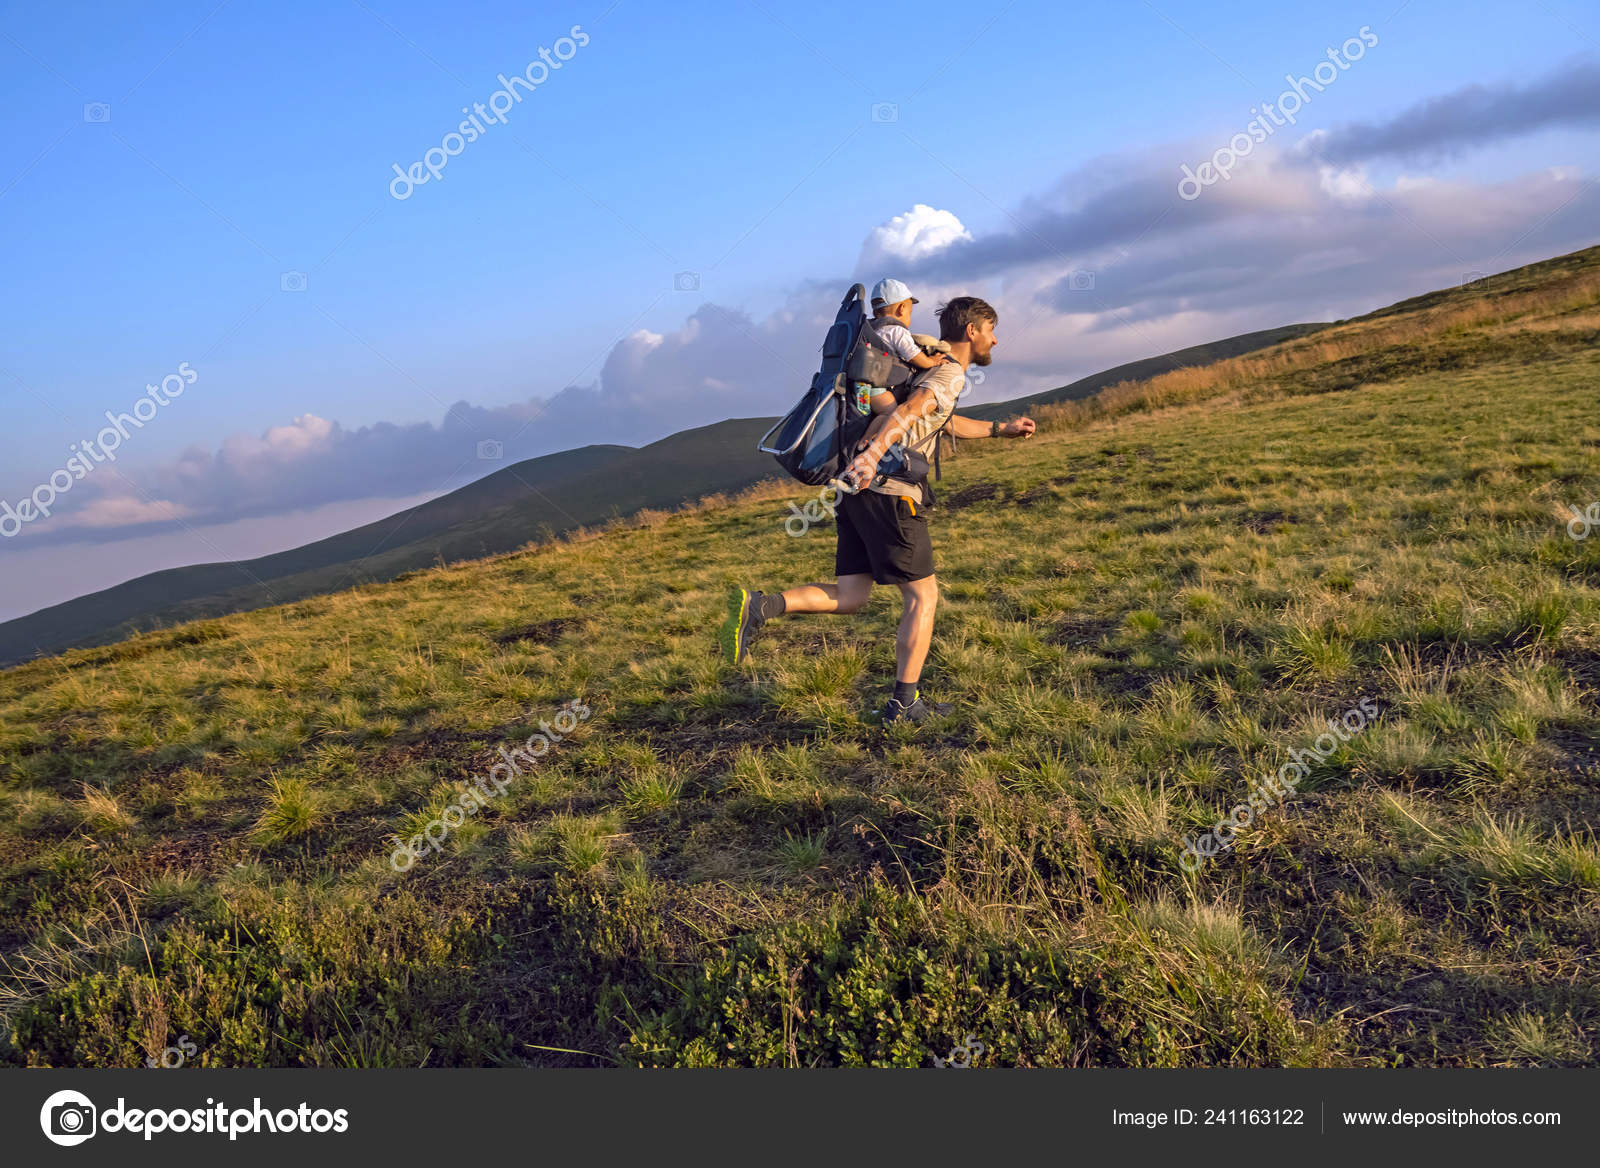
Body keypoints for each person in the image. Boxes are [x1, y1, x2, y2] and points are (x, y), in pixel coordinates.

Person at [720, 296, 1037, 723]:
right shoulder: (948, 372)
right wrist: (876, 453)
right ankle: (904, 704)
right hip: (888, 489)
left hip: (856, 490)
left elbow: (938, 419)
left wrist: (1001, 429)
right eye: (992, 331)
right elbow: (911, 411)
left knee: (851, 595)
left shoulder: (924, 366)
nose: (995, 340)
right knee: (923, 595)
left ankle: (760, 606)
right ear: (972, 331)